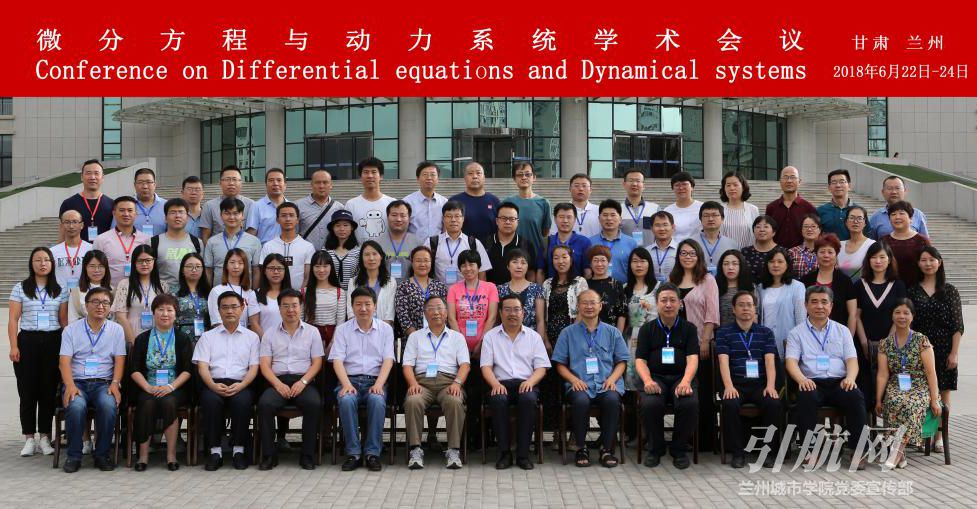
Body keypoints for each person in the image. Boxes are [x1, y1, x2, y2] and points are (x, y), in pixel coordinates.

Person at [785, 286, 866, 469]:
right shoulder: (796, 333)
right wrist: (801, 379)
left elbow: (852, 360)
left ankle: (858, 450)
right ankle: (809, 451)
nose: (819, 306)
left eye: (824, 302)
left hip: (839, 382)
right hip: (811, 382)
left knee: (855, 396)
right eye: (814, 302)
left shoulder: (842, 330)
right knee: (805, 397)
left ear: (831, 306)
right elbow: (791, 362)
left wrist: (850, 378)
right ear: (806, 305)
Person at [552, 289, 629, 468]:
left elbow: (622, 361)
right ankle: (581, 447)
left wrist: (613, 379)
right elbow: (560, 364)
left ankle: (607, 449)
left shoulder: (613, 332)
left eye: (593, 302)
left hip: (606, 383)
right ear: (578, 306)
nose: (589, 306)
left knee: (612, 400)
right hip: (580, 384)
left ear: (600, 306)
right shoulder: (567, 333)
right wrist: (573, 380)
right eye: (584, 303)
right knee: (580, 401)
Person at [58, 287, 126, 472]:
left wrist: (115, 384)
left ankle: (102, 455)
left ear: (110, 307)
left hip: (104, 383)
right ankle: (74, 456)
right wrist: (69, 385)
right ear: (86, 306)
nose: (100, 306)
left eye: (105, 303)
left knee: (108, 406)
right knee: (76, 406)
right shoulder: (71, 330)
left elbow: (120, 360)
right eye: (95, 302)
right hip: (77, 382)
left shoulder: (116, 330)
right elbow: (64, 361)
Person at [8, 247, 68, 457]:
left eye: (46, 260)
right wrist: (14, 346)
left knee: (47, 392)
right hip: (28, 341)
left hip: (53, 341)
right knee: (27, 392)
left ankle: (44, 437)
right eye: (38, 260)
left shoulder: (60, 289)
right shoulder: (20, 288)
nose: (42, 264)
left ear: (52, 263)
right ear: (31, 263)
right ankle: (29, 438)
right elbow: (13, 319)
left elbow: (63, 321)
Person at [481, 294, 551, 470]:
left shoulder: (533, 337)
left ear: (523, 312)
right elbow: (486, 367)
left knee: (528, 399)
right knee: (498, 400)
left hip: (526, 383)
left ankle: (523, 454)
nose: (512, 313)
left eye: (516, 309)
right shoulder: (490, 336)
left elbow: (541, 368)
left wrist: (530, 382)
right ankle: (504, 453)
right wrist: (495, 385)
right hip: (501, 383)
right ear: (500, 313)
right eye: (508, 309)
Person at [329, 287, 396, 472]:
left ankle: (372, 453)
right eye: (358, 304)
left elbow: (388, 360)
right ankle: (354, 453)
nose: (363, 308)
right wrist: (346, 384)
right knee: (346, 400)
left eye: (367, 304)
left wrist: (379, 384)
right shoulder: (342, 330)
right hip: (349, 380)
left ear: (375, 306)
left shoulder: (385, 330)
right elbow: (337, 360)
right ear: (352, 307)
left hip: (375, 381)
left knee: (377, 400)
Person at [257, 289, 324, 471]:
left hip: (303, 381)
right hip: (277, 381)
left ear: (301, 307)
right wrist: (278, 385)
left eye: (294, 305)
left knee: (313, 404)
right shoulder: (270, 333)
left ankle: (307, 455)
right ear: (279, 308)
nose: (290, 310)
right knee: (265, 404)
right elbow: (265, 365)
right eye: (285, 306)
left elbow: (317, 362)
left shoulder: (312, 332)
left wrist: (303, 382)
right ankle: (269, 455)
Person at [193, 291, 261, 471]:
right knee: (210, 402)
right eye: (225, 307)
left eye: (234, 307)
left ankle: (239, 450)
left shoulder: (252, 337)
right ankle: (215, 452)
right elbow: (202, 367)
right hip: (214, 383)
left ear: (242, 308)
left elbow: (254, 367)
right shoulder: (207, 336)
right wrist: (212, 386)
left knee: (242, 402)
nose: (229, 311)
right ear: (218, 310)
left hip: (241, 384)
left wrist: (242, 385)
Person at [634, 283, 699, 469]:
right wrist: (647, 380)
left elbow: (692, 358)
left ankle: (679, 450)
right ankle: (655, 449)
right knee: (650, 404)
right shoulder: (647, 329)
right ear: (657, 303)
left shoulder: (689, 328)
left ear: (680, 303)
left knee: (689, 403)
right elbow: (640, 360)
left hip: (681, 377)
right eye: (664, 300)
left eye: (672, 300)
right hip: (655, 377)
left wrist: (686, 381)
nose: (668, 304)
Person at [714, 291, 781, 469]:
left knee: (773, 402)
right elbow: (723, 361)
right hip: (736, 383)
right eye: (741, 305)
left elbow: (770, 361)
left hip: (760, 384)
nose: (746, 308)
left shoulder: (766, 332)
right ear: (734, 309)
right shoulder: (724, 332)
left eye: (749, 305)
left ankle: (769, 452)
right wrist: (728, 386)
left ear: (755, 309)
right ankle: (738, 453)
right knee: (730, 403)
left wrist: (771, 386)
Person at [403, 295, 470, 470]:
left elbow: (465, 365)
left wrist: (457, 383)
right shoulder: (415, 337)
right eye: (431, 309)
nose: (436, 312)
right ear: (425, 314)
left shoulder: (457, 337)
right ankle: (415, 450)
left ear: (447, 312)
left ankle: (453, 450)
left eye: (440, 308)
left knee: (454, 401)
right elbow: (407, 365)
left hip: (448, 382)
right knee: (413, 401)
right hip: (422, 383)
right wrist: (412, 384)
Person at [127, 294, 193, 472]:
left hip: (175, 387)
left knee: (168, 402)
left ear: (175, 314)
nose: (165, 314)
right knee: (147, 403)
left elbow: (187, 370)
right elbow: (135, 369)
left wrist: (170, 387)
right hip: (148, 385)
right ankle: (143, 456)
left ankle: (171, 456)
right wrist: (148, 387)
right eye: (161, 309)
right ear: (153, 313)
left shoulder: (182, 338)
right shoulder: (142, 339)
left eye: (169, 310)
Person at [875, 299, 942, 469]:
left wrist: (935, 399)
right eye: (897, 312)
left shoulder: (921, 340)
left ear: (912, 316)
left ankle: (896, 452)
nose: (901, 316)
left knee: (910, 404)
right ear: (892, 315)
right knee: (893, 401)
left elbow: (931, 372)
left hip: (920, 385)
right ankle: (901, 453)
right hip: (896, 384)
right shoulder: (885, 343)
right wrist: (878, 399)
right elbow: (883, 374)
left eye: (906, 313)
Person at [908, 246, 961, 453]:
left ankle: (939, 436)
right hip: (919, 350)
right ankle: (923, 435)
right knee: (921, 392)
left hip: (944, 349)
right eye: (924, 260)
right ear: (918, 264)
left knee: (943, 393)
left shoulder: (950, 290)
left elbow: (958, 326)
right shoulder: (912, 291)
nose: (928, 264)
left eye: (932, 260)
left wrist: (954, 353)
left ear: (939, 262)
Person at [669, 239, 720, 448]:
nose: (687, 257)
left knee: (702, 392)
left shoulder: (707, 280)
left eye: (692, 253)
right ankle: (682, 437)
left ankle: (704, 440)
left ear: (698, 256)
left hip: (700, 343)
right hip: (675, 345)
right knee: (682, 390)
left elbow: (712, 313)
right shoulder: (672, 279)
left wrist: (705, 340)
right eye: (683, 253)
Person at [854, 241, 907, 413]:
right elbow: (856, 315)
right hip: (863, 342)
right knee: (865, 384)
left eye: (882, 257)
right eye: (874, 257)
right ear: (868, 260)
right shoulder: (860, 285)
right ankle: (866, 425)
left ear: (889, 260)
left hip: (891, 342)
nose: (878, 261)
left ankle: (888, 424)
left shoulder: (898, 285)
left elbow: (900, 316)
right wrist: (864, 343)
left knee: (888, 382)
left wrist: (887, 343)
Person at [424, 201, 492, 284]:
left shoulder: (474, 244)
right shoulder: (431, 242)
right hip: (438, 291)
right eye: (449, 216)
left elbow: (482, 273)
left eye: (457, 216)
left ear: (463, 219)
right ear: (443, 219)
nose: (453, 220)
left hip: (466, 291)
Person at [111, 244, 168, 343]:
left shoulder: (162, 286)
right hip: (132, 335)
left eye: (148, 260)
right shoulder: (125, 284)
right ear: (134, 263)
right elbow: (121, 317)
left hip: (157, 339)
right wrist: (134, 343)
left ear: (154, 261)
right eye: (140, 261)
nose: (144, 264)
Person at [800, 234, 857, 332]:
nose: (826, 255)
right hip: (810, 333)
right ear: (816, 254)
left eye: (830, 252)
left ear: (836, 255)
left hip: (838, 334)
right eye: (822, 252)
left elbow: (852, 314)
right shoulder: (806, 280)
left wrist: (849, 338)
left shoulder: (845, 281)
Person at [447, 250, 499, 352]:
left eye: (471, 264)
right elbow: (451, 319)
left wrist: (482, 343)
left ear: (478, 266)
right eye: (463, 265)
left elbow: (492, 317)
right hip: (459, 346)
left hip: (486, 344)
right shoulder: (453, 289)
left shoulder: (491, 287)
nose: (468, 268)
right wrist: (461, 345)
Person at [758, 249, 806, 359]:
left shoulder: (797, 287)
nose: (775, 265)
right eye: (771, 261)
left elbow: (801, 318)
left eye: (780, 261)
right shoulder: (761, 287)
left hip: (788, 341)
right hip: (765, 341)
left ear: (787, 264)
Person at [203, 198, 262, 286]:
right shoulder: (212, 242)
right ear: (221, 215)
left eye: (236, 213)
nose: (231, 217)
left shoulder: (254, 241)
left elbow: (256, 270)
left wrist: (255, 292)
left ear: (242, 215)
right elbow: (208, 270)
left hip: (245, 292)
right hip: (219, 291)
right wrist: (209, 292)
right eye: (227, 213)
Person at [92, 196, 150, 287]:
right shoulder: (101, 239)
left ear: (136, 214)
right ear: (114, 213)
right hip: (110, 291)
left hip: (138, 290)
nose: (126, 214)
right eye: (122, 210)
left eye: (130, 210)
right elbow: (95, 268)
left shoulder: (145, 239)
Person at [257, 202, 316, 289]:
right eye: (284, 215)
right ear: (277, 220)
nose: (288, 219)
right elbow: (263, 274)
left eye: (291, 215)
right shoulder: (268, 246)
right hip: (274, 295)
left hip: (298, 295)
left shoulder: (308, 247)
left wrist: (300, 294)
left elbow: (308, 277)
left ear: (297, 219)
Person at [503, 162, 553, 265]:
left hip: (535, 255)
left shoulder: (543, 203)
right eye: (519, 175)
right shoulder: (507, 202)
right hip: (512, 256)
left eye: (527, 174)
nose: (524, 177)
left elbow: (545, 232)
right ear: (514, 179)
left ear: (534, 177)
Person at [624, 248, 659, 391]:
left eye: (643, 261)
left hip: (653, 335)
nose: (639, 265)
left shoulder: (658, 287)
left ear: (649, 263)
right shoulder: (625, 288)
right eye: (635, 261)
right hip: (630, 338)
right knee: (631, 372)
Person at [394, 246, 447, 340]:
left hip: (438, 339)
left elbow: (446, 313)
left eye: (426, 260)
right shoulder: (403, 287)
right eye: (418, 261)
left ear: (431, 263)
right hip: (413, 340)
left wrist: (437, 337)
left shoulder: (440, 286)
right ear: (412, 262)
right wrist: (418, 339)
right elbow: (403, 317)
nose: (422, 264)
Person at [207, 248, 261, 335]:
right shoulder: (217, 291)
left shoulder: (250, 293)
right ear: (226, 265)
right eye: (232, 262)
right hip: (223, 336)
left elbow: (252, 322)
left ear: (245, 266)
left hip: (245, 337)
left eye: (240, 263)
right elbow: (217, 322)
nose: (236, 266)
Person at [151, 198, 203, 290]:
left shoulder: (197, 243)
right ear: (165, 218)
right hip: (163, 294)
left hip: (190, 294)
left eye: (181, 212)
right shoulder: (154, 242)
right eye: (173, 212)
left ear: (187, 218)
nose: (177, 216)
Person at [59, 159, 114, 243]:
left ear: (102, 177)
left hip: (103, 250)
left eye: (96, 173)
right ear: (81, 177)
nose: (92, 177)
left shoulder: (112, 204)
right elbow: (62, 233)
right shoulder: (68, 204)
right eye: (88, 173)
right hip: (77, 250)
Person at [198, 165, 255, 243]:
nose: (231, 183)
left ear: (241, 183)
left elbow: (252, 232)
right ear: (220, 183)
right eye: (227, 179)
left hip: (243, 249)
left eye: (235, 179)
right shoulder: (209, 206)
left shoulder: (251, 205)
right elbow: (205, 235)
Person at [303, 250, 347, 350]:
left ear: (331, 267)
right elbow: (300, 321)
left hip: (332, 336)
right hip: (309, 337)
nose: (321, 270)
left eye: (325, 266)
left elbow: (340, 323)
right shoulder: (303, 292)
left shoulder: (339, 292)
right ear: (312, 268)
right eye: (317, 266)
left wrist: (332, 343)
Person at [880, 201, 930, 287]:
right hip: (889, 288)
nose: (897, 217)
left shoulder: (922, 241)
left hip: (916, 289)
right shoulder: (883, 241)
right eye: (893, 214)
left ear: (911, 218)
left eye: (901, 213)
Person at [484, 201, 535, 285]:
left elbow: (531, 273)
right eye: (504, 218)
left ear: (517, 222)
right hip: (491, 292)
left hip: (518, 292)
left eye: (512, 219)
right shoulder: (485, 243)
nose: (507, 222)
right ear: (497, 221)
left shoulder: (526, 245)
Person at [346, 157, 396, 243]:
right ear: (360, 177)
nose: (370, 176)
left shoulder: (392, 203)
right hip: (360, 251)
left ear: (381, 176)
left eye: (374, 172)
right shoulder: (351, 205)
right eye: (366, 172)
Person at [765, 166, 817, 249]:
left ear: (799, 181)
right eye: (785, 177)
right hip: (776, 254)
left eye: (793, 177)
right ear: (780, 181)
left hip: (801, 254)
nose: (789, 181)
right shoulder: (771, 207)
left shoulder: (809, 208)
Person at [345, 241, 396, 325]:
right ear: (361, 258)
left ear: (381, 256)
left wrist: (381, 330)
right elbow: (351, 312)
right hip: (357, 329)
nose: (371, 258)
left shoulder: (391, 282)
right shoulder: (353, 282)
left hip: (383, 329)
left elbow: (390, 314)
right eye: (367, 254)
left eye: (374, 254)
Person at [538, 203, 591, 282]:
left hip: (577, 288)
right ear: (555, 219)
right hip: (551, 288)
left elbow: (587, 271)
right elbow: (540, 271)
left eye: (569, 217)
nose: (565, 221)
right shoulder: (546, 242)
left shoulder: (584, 242)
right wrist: (540, 289)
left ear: (575, 219)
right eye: (561, 217)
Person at [589, 199, 638, 283]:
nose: (609, 218)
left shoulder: (631, 243)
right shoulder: (590, 242)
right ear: (599, 218)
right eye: (605, 215)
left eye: (613, 215)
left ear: (620, 219)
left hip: (624, 288)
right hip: (596, 288)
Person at [451, 161, 501, 241]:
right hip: (462, 247)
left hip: (490, 247)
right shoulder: (454, 201)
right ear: (465, 178)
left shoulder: (494, 201)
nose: (475, 176)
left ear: (484, 177)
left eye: (478, 173)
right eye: (470, 173)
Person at [297, 168, 345, 251]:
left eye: (325, 182)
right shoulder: (298, 206)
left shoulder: (339, 208)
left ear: (331, 185)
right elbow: (294, 233)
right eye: (317, 182)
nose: (321, 186)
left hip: (331, 255)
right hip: (306, 255)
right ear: (311, 184)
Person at [584, 245, 627, 333]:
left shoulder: (616, 284)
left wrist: (618, 336)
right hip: (587, 332)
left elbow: (622, 313)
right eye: (595, 260)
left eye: (603, 260)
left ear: (609, 262)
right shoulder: (585, 285)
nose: (599, 264)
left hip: (611, 333)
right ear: (590, 264)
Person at [375, 200, 420, 281]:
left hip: (409, 287)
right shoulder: (376, 243)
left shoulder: (418, 243)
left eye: (403, 216)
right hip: (384, 287)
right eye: (394, 215)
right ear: (387, 217)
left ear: (409, 218)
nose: (398, 219)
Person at [404, 161, 448, 241]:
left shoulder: (444, 203)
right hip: (414, 247)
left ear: (438, 179)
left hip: (438, 246)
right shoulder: (407, 202)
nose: (429, 178)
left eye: (433, 175)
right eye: (425, 174)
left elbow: (446, 228)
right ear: (418, 178)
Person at [693, 201, 739, 276]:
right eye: (706, 215)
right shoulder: (691, 243)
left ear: (722, 218)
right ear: (700, 219)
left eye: (714, 215)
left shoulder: (732, 244)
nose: (710, 219)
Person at [67, 250, 113, 323]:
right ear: (85, 268)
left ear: (106, 268)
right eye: (92, 266)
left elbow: (115, 320)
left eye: (101, 266)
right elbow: (72, 321)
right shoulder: (76, 293)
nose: (96, 270)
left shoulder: (113, 292)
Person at [51, 210, 93, 289]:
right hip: (60, 295)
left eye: (75, 222)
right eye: (67, 222)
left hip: (85, 294)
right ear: (61, 226)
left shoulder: (91, 249)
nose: (71, 226)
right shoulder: (52, 251)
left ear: (82, 225)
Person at [716, 250, 759, 326]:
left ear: (741, 266)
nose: (730, 267)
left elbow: (755, 316)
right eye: (726, 264)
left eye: (735, 263)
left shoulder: (750, 287)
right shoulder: (715, 287)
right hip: (721, 332)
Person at [246, 168, 289, 243]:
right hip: (264, 249)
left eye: (279, 180)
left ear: (285, 185)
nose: (275, 183)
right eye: (271, 180)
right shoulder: (256, 206)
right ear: (266, 185)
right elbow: (251, 235)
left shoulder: (292, 207)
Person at [550, 174, 600, 238]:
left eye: (584, 186)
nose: (581, 189)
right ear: (570, 189)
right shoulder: (561, 211)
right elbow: (553, 233)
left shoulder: (599, 211)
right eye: (576, 186)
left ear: (590, 190)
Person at [174, 253, 210, 341]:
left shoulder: (210, 292)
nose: (194, 270)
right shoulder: (174, 292)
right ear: (182, 270)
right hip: (182, 337)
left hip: (206, 337)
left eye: (198, 266)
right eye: (189, 266)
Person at [619, 169, 660, 246]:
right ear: (624, 184)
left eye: (638, 181)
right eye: (631, 181)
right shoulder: (617, 210)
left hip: (649, 252)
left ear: (643, 185)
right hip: (626, 252)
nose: (634, 184)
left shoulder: (655, 208)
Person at [719, 172, 760, 248]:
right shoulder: (719, 209)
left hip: (747, 253)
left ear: (743, 187)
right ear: (724, 189)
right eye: (728, 185)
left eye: (735, 185)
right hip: (724, 253)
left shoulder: (753, 210)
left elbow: (757, 234)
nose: (732, 188)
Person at [324, 209, 361, 291]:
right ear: (332, 228)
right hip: (330, 293)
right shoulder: (325, 250)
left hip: (352, 292)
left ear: (352, 227)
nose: (342, 229)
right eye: (337, 225)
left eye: (345, 225)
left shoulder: (358, 250)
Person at [255, 254, 292, 334]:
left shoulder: (293, 295)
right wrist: (267, 340)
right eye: (271, 268)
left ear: (285, 271)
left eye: (279, 268)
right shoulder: (255, 294)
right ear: (264, 271)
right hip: (264, 340)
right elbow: (254, 324)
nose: (276, 272)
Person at [664, 171, 703, 244]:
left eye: (684, 184)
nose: (681, 188)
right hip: (675, 249)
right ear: (673, 188)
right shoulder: (667, 211)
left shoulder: (702, 208)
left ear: (692, 187)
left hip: (697, 248)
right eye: (677, 185)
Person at [838, 206, 875, 282]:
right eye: (852, 218)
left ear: (865, 223)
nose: (855, 221)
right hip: (842, 288)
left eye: (859, 218)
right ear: (846, 222)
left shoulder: (872, 245)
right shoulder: (839, 245)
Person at [817, 169, 856, 240]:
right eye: (834, 182)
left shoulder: (859, 210)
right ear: (829, 187)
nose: (838, 185)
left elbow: (866, 236)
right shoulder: (820, 211)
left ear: (849, 186)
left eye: (842, 182)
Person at [741, 215, 781, 283]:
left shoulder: (782, 252)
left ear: (774, 232)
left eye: (766, 227)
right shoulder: (745, 252)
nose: (762, 230)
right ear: (753, 231)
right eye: (758, 227)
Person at [129, 168, 167, 236]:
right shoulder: (126, 206)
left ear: (154, 185)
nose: (145, 186)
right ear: (134, 185)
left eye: (149, 182)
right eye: (140, 182)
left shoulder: (166, 205)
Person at [645, 211, 677, 283]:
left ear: (673, 227)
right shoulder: (647, 251)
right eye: (657, 225)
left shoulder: (680, 250)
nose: (662, 229)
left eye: (665, 225)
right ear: (651, 228)